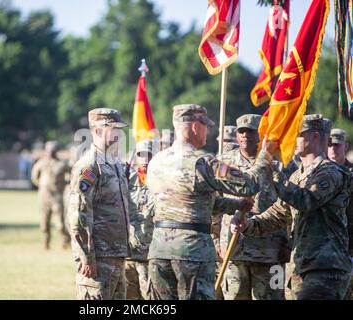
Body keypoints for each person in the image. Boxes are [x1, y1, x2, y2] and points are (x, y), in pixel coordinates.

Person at [146, 104, 276, 300]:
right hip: (192, 251)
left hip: (159, 250)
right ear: (196, 127)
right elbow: (250, 184)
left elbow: (193, 201)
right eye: (206, 125)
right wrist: (265, 155)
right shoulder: (204, 162)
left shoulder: (156, 161)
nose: (208, 131)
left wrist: (235, 205)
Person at [233, 114, 352, 300]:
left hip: (326, 267)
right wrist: (247, 225)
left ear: (315, 136)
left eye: (296, 134)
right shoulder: (297, 176)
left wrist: (273, 171)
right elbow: (279, 214)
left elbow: (306, 200)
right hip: (301, 266)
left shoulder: (330, 172)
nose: (290, 140)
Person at [214, 114, 289, 300]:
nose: (245, 135)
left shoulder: (280, 163)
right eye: (241, 131)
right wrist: (215, 241)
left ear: (261, 135)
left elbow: (291, 206)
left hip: (271, 251)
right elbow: (215, 203)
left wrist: (289, 242)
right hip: (233, 250)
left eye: (251, 131)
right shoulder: (223, 162)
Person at [68, 108, 131, 300]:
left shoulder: (114, 164)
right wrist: (87, 257)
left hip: (117, 256)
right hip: (98, 260)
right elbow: (79, 215)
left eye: (120, 129)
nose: (119, 134)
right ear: (97, 131)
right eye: (113, 128)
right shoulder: (88, 166)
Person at [125, 139, 155, 300]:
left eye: (148, 155)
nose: (145, 159)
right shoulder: (125, 180)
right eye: (141, 155)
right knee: (129, 296)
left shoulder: (160, 181)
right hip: (128, 250)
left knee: (149, 296)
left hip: (149, 253)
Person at [328, 128, 353, 300]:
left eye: (337, 145)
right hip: (327, 243)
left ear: (346, 147)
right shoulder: (320, 171)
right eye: (329, 145)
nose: (333, 149)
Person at [31, 141, 69, 249]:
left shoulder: (62, 164)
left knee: (60, 224)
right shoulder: (41, 163)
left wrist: (65, 183)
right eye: (48, 150)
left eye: (52, 150)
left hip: (57, 196)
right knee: (44, 222)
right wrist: (41, 185)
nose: (50, 153)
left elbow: (73, 174)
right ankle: (46, 243)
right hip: (44, 196)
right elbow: (34, 176)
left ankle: (65, 241)